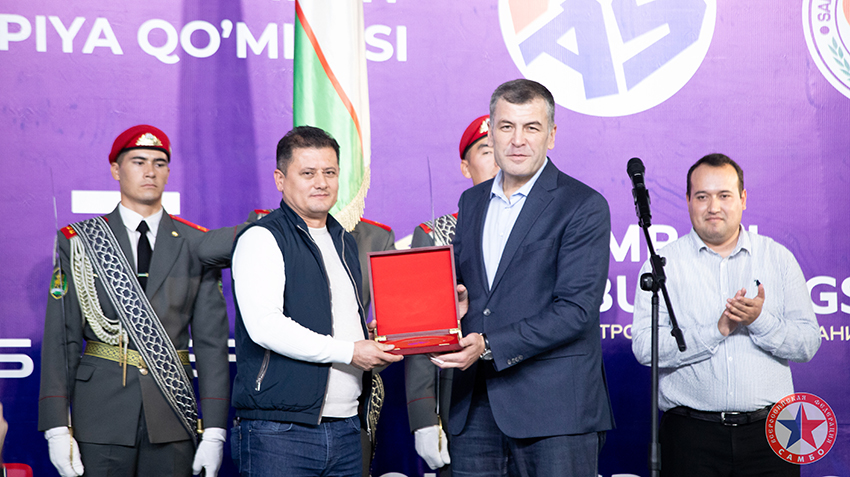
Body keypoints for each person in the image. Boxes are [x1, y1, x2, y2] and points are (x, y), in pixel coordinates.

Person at [432, 79, 615, 476]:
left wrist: (488, 345)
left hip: (554, 412)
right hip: (473, 407)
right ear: (491, 134)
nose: (517, 140)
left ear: (551, 136)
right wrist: (435, 314)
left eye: (531, 127)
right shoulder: (472, 201)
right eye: (506, 127)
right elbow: (470, 292)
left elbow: (576, 310)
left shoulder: (582, 205)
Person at [38, 125, 231, 477]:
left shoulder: (195, 244)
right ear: (116, 169)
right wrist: (56, 427)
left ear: (168, 172)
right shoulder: (79, 241)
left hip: (172, 412)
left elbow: (211, 344)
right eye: (138, 162)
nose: (150, 172)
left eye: (159, 163)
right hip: (101, 415)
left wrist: (215, 431)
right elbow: (61, 339)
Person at [631, 153, 821, 477]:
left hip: (772, 434)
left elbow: (808, 344)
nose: (713, 207)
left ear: (743, 199)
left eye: (724, 195)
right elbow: (644, 348)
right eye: (702, 197)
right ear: (688, 200)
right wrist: (716, 330)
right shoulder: (662, 264)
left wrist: (759, 322)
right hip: (691, 436)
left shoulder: (778, 258)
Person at [229, 126, 403, 476]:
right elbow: (265, 326)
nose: (321, 183)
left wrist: (367, 339)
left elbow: (335, 319)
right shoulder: (262, 238)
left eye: (330, 172)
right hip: (279, 432)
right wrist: (350, 351)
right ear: (280, 179)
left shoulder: (344, 240)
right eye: (308, 173)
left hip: (347, 427)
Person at [405, 114, 498, 475]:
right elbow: (420, 330)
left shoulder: (543, 226)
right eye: (486, 151)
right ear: (465, 166)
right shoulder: (437, 234)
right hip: (462, 401)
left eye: (503, 150)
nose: (498, 159)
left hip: (530, 397)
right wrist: (424, 417)